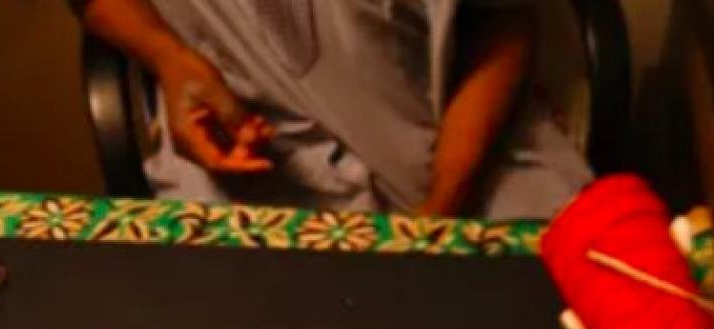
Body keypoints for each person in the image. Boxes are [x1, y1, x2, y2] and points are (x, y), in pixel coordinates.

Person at [78, 0, 593, 219]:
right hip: (245, 154)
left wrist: (446, 200)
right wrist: (169, 58)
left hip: (460, 142)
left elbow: (500, 25)